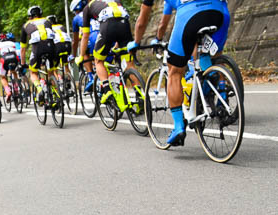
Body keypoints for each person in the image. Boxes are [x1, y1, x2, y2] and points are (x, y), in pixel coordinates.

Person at [129, 0, 231, 146]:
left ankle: (178, 127)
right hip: (218, 11)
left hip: (190, 13)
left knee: (175, 71)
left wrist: (137, 43)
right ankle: (209, 80)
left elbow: (148, 21)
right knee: (205, 53)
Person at [75, 0, 136, 105]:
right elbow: (121, 18)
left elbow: (85, 35)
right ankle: (139, 94)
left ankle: (107, 90)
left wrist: (81, 55)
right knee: (129, 63)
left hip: (108, 26)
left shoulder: (88, 7)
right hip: (125, 25)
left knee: (98, 60)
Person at [20, 5, 56, 104]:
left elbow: (23, 48)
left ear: (30, 16)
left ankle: (40, 90)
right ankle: (55, 94)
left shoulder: (26, 25)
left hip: (38, 48)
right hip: (51, 47)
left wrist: (23, 63)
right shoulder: (47, 21)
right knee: (51, 73)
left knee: (33, 72)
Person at [70, 0, 99, 93]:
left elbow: (75, 41)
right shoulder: (94, 10)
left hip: (91, 38)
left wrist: (74, 55)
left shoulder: (77, 18)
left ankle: (91, 77)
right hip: (105, 34)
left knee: (85, 51)